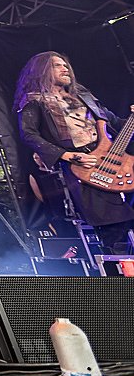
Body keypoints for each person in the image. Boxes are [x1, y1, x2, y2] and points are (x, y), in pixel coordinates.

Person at [16, 51, 134, 254]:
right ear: (41, 71)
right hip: (82, 168)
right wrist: (67, 155)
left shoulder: (84, 96)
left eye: (65, 65)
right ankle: (118, 264)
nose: (65, 69)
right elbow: (29, 135)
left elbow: (114, 122)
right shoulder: (34, 100)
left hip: (110, 160)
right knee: (113, 226)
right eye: (57, 65)